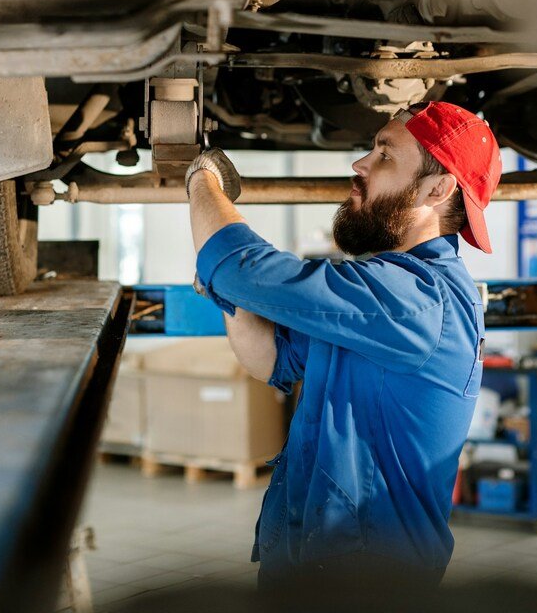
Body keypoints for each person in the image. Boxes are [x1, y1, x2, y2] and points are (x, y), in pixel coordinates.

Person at [185, 101, 502, 587]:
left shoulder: (416, 300)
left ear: (438, 189)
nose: (359, 164)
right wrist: (235, 294)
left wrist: (204, 179)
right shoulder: (384, 292)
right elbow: (272, 359)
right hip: (315, 559)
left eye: (384, 155)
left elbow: (234, 264)